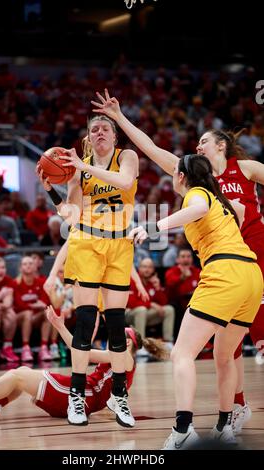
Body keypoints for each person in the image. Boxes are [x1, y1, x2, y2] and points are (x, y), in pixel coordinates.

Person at [92, 90, 264, 434]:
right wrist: (120, 118)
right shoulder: (196, 175)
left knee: (233, 343)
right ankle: (234, 409)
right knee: (227, 348)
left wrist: (155, 225)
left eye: (203, 141)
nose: (197, 146)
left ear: (221, 145)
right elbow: (151, 149)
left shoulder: (241, 169)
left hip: (251, 254)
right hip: (230, 263)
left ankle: (193, 426)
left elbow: (213, 210)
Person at [130, 154, 262, 449]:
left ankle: (183, 430)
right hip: (251, 276)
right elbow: (237, 212)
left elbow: (199, 207)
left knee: (182, 353)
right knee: (224, 356)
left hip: (225, 272)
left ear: (180, 176)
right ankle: (223, 427)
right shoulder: (222, 201)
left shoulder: (198, 194)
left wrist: (153, 227)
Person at [37, 114, 139, 427]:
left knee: (117, 325)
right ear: (89, 138)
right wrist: (53, 192)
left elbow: (124, 182)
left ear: (114, 136)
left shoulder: (127, 157)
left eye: (104, 128)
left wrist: (82, 167)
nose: (99, 133)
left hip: (119, 246)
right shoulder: (77, 172)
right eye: (93, 129)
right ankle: (76, 397)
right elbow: (70, 216)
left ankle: (119, 395)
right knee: (85, 323)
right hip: (87, 244)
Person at [0, 306, 167, 423]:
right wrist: (60, 326)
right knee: (23, 371)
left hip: (81, 396)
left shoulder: (124, 357)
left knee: (17, 376)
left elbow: (82, 353)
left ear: (128, 342)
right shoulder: (120, 356)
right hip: (83, 400)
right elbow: (78, 349)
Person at [13, 256, 52, 362]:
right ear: (20, 268)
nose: (28, 266)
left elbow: (45, 303)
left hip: (36, 317)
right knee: (27, 313)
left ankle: (44, 348)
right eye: (25, 264)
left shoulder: (41, 282)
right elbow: (18, 305)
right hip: (20, 318)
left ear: (35, 267)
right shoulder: (15, 283)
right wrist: (35, 305)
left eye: (30, 263)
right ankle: (25, 348)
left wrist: (39, 305)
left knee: (47, 313)